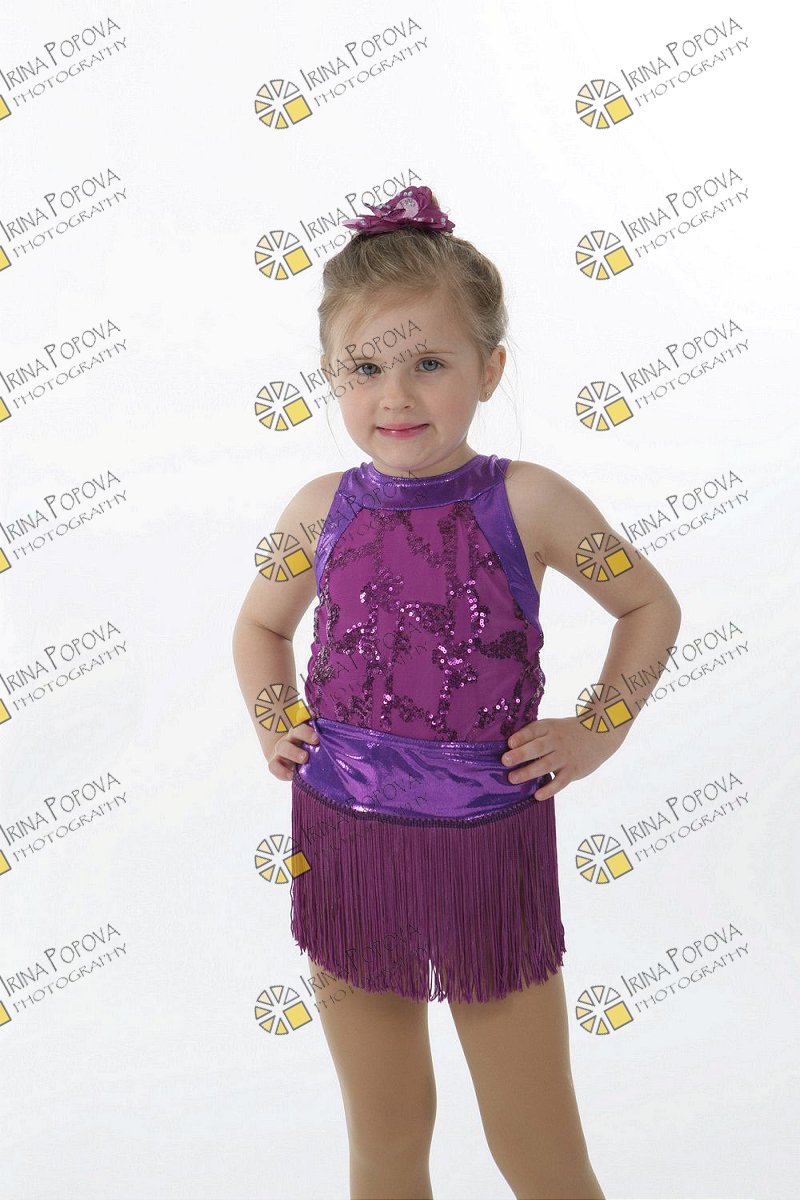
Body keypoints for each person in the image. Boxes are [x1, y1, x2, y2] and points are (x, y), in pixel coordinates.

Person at [232, 184, 681, 1200]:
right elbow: (259, 627)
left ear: (489, 369)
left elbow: (648, 605)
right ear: (330, 377)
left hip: (488, 854)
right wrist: (275, 721)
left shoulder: (531, 500)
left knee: (535, 1146)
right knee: (386, 1136)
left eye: (428, 363)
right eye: (365, 368)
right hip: (345, 843)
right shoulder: (314, 510)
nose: (395, 395)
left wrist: (598, 728)